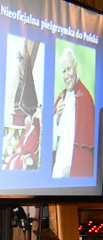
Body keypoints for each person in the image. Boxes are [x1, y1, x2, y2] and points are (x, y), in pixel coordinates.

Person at [53, 48, 95, 178]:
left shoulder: (86, 98)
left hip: (73, 168)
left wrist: (73, 168)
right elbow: (54, 140)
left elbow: (86, 147)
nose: (66, 76)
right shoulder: (60, 98)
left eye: (69, 69)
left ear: (76, 67)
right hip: (58, 166)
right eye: (63, 71)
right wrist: (57, 118)